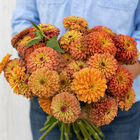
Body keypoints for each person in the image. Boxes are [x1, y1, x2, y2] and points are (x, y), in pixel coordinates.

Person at [12, 0, 140, 140]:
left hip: (117, 104)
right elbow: (23, 20)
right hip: (47, 100)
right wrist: (36, 62)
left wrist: (121, 75)